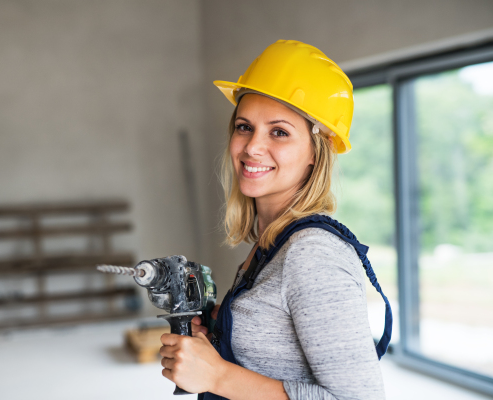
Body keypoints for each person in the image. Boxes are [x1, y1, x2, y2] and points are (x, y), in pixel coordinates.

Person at [159, 40, 391, 400]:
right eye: (244, 126)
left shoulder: (312, 254)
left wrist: (218, 376)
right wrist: (219, 333)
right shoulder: (271, 243)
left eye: (279, 132)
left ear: (316, 152)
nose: (252, 147)